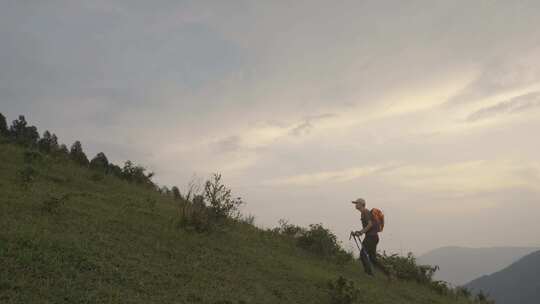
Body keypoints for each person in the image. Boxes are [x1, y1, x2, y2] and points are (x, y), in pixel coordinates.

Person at [351, 198, 386, 276]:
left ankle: (369, 274)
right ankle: (388, 273)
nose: (355, 205)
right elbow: (369, 226)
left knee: (363, 255)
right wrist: (360, 232)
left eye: (356, 203)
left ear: (361, 204)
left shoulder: (365, 212)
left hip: (371, 237)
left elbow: (370, 224)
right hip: (374, 237)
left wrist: (360, 232)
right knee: (373, 259)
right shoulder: (365, 212)